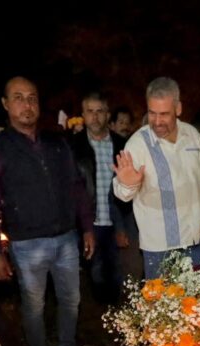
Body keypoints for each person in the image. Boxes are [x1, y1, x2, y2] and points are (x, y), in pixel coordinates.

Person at [0, 76, 96, 346]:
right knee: (34, 307)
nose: (27, 104)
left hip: (66, 237)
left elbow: (76, 187)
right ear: (5, 104)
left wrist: (87, 228)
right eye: (18, 97)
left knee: (71, 299)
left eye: (32, 97)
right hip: (27, 244)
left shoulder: (57, 143)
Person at [112, 77, 200, 278]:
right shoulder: (137, 144)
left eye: (164, 114)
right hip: (158, 249)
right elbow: (122, 194)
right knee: (161, 308)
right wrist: (127, 184)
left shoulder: (192, 135)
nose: (157, 122)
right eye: (152, 113)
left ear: (178, 108)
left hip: (194, 242)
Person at [69, 92, 128, 304]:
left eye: (100, 111)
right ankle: (104, 315)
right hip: (88, 222)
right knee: (95, 272)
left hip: (117, 220)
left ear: (107, 114)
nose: (95, 117)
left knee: (118, 272)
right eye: (90, 111)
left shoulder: (123, 144)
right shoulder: (73, 146)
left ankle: (117, 315)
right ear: (83, 115)